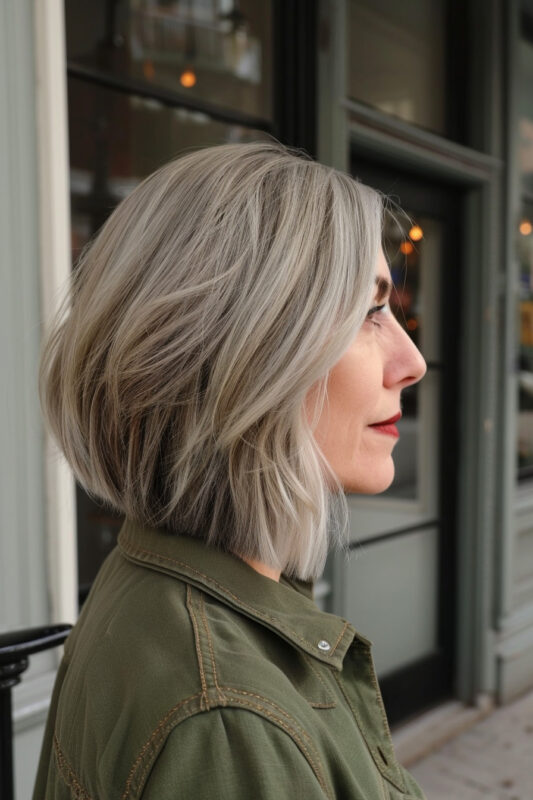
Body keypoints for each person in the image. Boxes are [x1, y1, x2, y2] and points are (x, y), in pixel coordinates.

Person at [33, 140, 427, 799]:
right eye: (367, 312)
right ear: (241, 349)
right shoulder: (230, 723)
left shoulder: (152, 579)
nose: (410, 360)